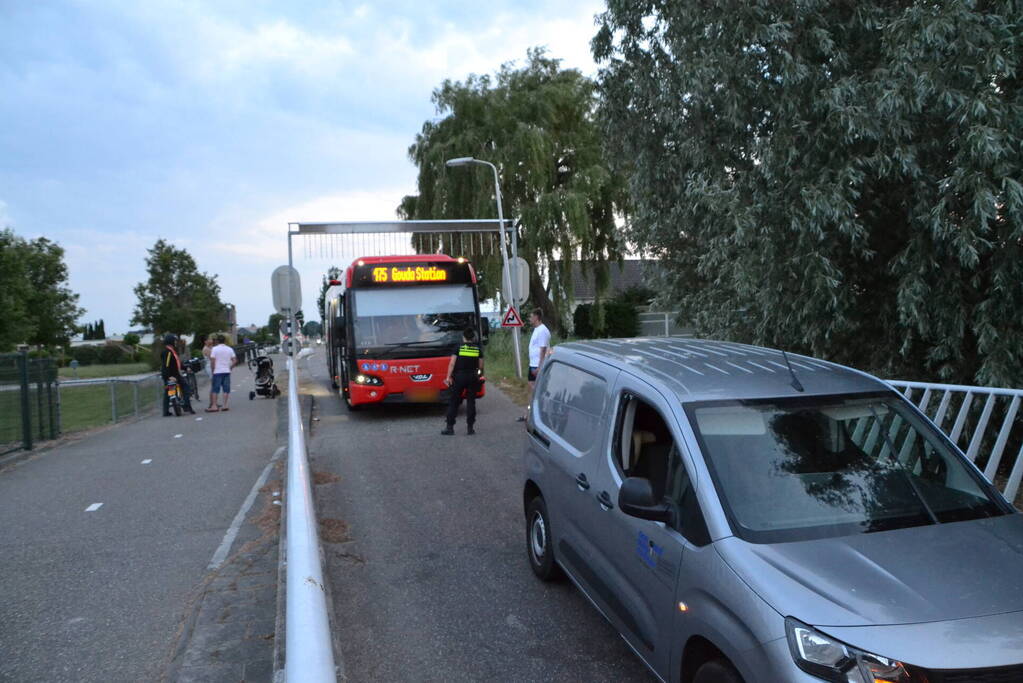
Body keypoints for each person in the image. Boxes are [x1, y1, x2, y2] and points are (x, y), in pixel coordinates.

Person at [441, 328, 483, 436]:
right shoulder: (477, 349)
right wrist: (478, 375)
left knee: (454, 402)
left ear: (463, 337)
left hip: (459, 377)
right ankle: (470, 428)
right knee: (471, 402)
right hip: (473, 377)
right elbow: (480, 366)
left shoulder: (458, 348)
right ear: (473, 337)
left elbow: (452, 364)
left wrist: (448, 377)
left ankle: (449, 428)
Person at [518, 308, 550, 422]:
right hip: (533, 364)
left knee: (539, 390)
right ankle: (529, 415)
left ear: (537, 317)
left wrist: (539, 367)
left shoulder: (543, 330)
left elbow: (543, 350)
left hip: (538, 365)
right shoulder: (537, 329)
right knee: (531, 390)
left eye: (531, 316)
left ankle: (539, 415)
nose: (530, 319)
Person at [160, 333, 195, 416]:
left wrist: (185, 368)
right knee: (186, 388)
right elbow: (166, 365)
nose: (175, 342)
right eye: (174, 341)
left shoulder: (172, 351)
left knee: (169, 393)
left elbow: (177, 363)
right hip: (173, 376)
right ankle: (186, 405)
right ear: (171, 341)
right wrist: (169, 377)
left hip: (173, 375)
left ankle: (166, 412)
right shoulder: (168, 352)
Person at [207, 334, 237, 412]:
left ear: (217, 341)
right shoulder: (230, 349)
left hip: (217, 371)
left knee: (215, 389)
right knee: (226, 389)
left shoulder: (214, 349)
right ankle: (225, 405)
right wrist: (230, 367)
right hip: (226, 371)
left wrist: (213, 370)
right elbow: (234, 361)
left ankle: (214, 406)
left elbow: (213, 361)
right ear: (225, 341)